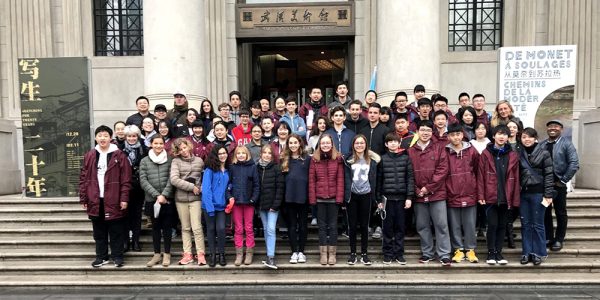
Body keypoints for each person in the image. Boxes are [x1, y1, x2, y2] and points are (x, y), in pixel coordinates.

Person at [79, 125, 131, 268]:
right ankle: (101, 257)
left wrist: (124, 198)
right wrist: (83, 197)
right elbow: (83, 178)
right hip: (95, 199)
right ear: (96, 138)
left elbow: (126, 179)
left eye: (105, 135)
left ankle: (117, 256)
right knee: (99, 232)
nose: (102, 138)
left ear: (110, 138)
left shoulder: (119, 155)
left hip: (114, 198)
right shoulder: (90, 155)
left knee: (116, 230)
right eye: (100, 135)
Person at [408, 120, 452, 266]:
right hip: (419, 195)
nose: (425, 133)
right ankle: (427, 253)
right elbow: (408, 174)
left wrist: (428, 188)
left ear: (432, 132)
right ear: (417, 132)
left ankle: (444, 254)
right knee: (422, 225)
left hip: (437, 194)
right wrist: (416, 190)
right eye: (422, 130)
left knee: (441, 225)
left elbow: (442, 170)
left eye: (428, 130)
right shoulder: (411, 150)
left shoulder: (439, 148)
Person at [477, 125, 520, 265]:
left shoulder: (512, 155)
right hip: (490, 197)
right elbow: (480, 176)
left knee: (502, 226)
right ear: (493, 136)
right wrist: (481, 195)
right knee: (493, 225)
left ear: (508, 137)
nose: (501, 137)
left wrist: (514, 198)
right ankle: (491, 252)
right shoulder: (486, 153)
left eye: (504, 134)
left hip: (506, 196)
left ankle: (499, 252)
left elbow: (516, 178)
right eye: (499, 134)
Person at [539, 119, 579, 251]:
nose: (552, 128)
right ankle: (549, 237)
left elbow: (574, 164)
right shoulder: (542, 144)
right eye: (550, 126)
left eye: (556, 126)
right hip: (545, 185)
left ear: (561, 129)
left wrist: (563, 181)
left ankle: (559, 239)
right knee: (545, 212)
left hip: (559, 185)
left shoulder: (567, 144)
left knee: (560, 212)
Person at [377, 132, 414, 264]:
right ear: (386, 144)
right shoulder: (382, 159)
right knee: (387, 228)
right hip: (387, 199)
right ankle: (387, 253)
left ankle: (399, 253)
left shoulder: (406, 158)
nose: (393, 143)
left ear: (399, 143)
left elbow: (410, 179)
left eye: (395, 141)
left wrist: (409, 197)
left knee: (400, 227)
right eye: (390, 141)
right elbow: (379, 181)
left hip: (402, 198)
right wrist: (378, 200)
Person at [445, 123, 480, 263]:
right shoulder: (445, 151)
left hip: (470, 192)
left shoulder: (471, 150)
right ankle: (458, 249)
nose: (455, 137)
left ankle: (470, 249)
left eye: (458, 134)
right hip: (452, 193)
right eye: (452, 135)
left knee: (470, 224)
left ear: (462, 134)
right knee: (454, 224)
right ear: (448, 136)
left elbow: (478, 170)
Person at [519, 127, 554, 265]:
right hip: (523, 193)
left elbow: (549, 175)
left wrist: (548, 194)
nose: (527, 139)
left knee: (538, 224)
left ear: (535, 138)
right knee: (525, 224)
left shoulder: (544, 153)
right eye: (524, 137)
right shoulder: (518, 153)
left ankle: (539, 253)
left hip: (539, 193)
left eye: (529, 137)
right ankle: (526, 252)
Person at [308, 133, 344, 265]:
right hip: (320, 198)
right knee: (322, 227)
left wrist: (340, 198)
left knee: (333, 226)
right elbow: (311, 180)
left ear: (332, 144)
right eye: (323, 143)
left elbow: (340, 179)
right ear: (319, 145)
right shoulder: (314, 159)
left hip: (334, 198)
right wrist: (312, 199)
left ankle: (332, 254)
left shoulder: (338, 158)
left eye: (327, 143)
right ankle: (323, 253)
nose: (325, 145)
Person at [343, 134, 379, 265]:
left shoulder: (372, 160)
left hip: (366, 194)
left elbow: (375, 179)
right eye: (357, 143)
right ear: (353, 145)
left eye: (362, 143)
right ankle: (353, 253)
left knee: (364, 226)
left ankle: (364, 253)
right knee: (352, 226)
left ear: (366, 145)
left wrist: (376, 197)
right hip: (352, 195)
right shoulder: (347, 160)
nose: (359, 145)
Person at [169, 138, 206, 266]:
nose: (183, 151)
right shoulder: (176, 161)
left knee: (197, 227)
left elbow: (203, 177)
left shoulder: (199, 160)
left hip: (196, 199)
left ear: (188, 146)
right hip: (181, 199)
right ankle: (187, 254)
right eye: (180, 150)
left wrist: (200, 187)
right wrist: (191, 187)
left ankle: (201, 254)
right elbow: (174, 179)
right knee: (185, 228)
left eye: (184, 147)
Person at [139, 135, 174, 267]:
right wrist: (156, 195)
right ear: (151, 144)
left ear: (164, 144)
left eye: (161, 143)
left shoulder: (170, 159)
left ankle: (167, 254)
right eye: (156, 143)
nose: (158, 146)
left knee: (167, 228)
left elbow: (172, 178)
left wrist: (164, 195)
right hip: (151, 200)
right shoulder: (145, 161)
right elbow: (143, 180)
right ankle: (156, 254)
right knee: (155, 228)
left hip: (167, 200)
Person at [228, 146, 260, 266]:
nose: (241, 155)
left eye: (243, 153)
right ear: (235, 155)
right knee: (238, 229)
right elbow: (228, 185)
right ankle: (239, 254)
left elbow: (257, 186)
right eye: (238, 153)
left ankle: (249, 252)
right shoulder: (232, 168)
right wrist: (229, 197)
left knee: (249, 228)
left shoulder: (252, 167)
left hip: (248, 203)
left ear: (247, 155)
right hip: (236, 203)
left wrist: (253, 199)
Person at [281, 134, 310, 264]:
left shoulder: (307, 159)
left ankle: (302, 251)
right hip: (289, 197)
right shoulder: (284, 159)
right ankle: (294, 252)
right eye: (290, 143)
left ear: (300, 144)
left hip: (303, 197)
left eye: (295, 143)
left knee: (303, 225)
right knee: (292, 226)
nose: (293, 145)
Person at [202, 144, 231, 267]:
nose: (223, 155)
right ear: (215, 155)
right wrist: (210, 207)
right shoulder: (210, 170)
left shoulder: (229, 169)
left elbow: (229, 185)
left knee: (221, 228)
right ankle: (212, 255)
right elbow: (206, 189)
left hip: (222, 206)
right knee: (211, 229)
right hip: (210, 205)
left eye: (224, 153)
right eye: (220, 154)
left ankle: (222, 254)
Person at [256, 145, 285, 269]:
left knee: (271, 229)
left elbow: (280, 188)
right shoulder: (256, 168)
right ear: (261, 154)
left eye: (269, 153)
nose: (267, 155)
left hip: (273, 205)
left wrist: (276, 204)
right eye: (264, 152)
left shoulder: (276, 168)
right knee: (266, 229)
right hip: (262, 205)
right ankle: (269, 255)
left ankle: (271, 257)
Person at [121, 125, 147, 252]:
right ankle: (125, 241)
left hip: (138, 187)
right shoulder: (120, 150)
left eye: (134, 136)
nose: (132, 138)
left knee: (136, 216)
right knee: (125, 215)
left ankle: (136, 241)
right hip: (124, 187)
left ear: (137, 136)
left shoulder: (143, 149)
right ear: (126, 137)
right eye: (129, 136)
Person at [470, 122, 491, 238]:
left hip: (487, 179)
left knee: (485, 204)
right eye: (478, 128)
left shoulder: (490, 144)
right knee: (475, 204)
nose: (480, 131)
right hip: (473, 178)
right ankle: (476, 226)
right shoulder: (470, 144)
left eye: (483, 128)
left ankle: (484, 226)